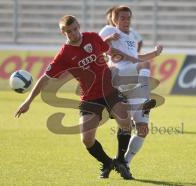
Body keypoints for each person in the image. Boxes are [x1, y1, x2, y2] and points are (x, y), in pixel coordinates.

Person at [14, 15, 134, 179]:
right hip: (90, 98)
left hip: (110, 91)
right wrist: (28, 101)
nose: (74, 33)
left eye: (75, 29)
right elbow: (45, 78)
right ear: (63, 33)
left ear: (79, 25)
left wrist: (115, 66)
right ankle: (107, 163)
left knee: (126, 122)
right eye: (69, 31)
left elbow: (107, 51)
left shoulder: (92, 37)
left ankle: (121, 161)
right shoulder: (64, 54)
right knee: (87, 139)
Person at [99, 5, 163, 178]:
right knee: (145, 66)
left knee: (142, 129)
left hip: (134, 83)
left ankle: (123, 162)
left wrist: (155, 53)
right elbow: (97, 47)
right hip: (120, 78)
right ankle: (144, 98)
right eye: (122, 18)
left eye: (128, 18)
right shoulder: (108, 30)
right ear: (114, 19)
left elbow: (137, 58)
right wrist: (109, 40)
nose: (126, 21)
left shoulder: (131, 37)